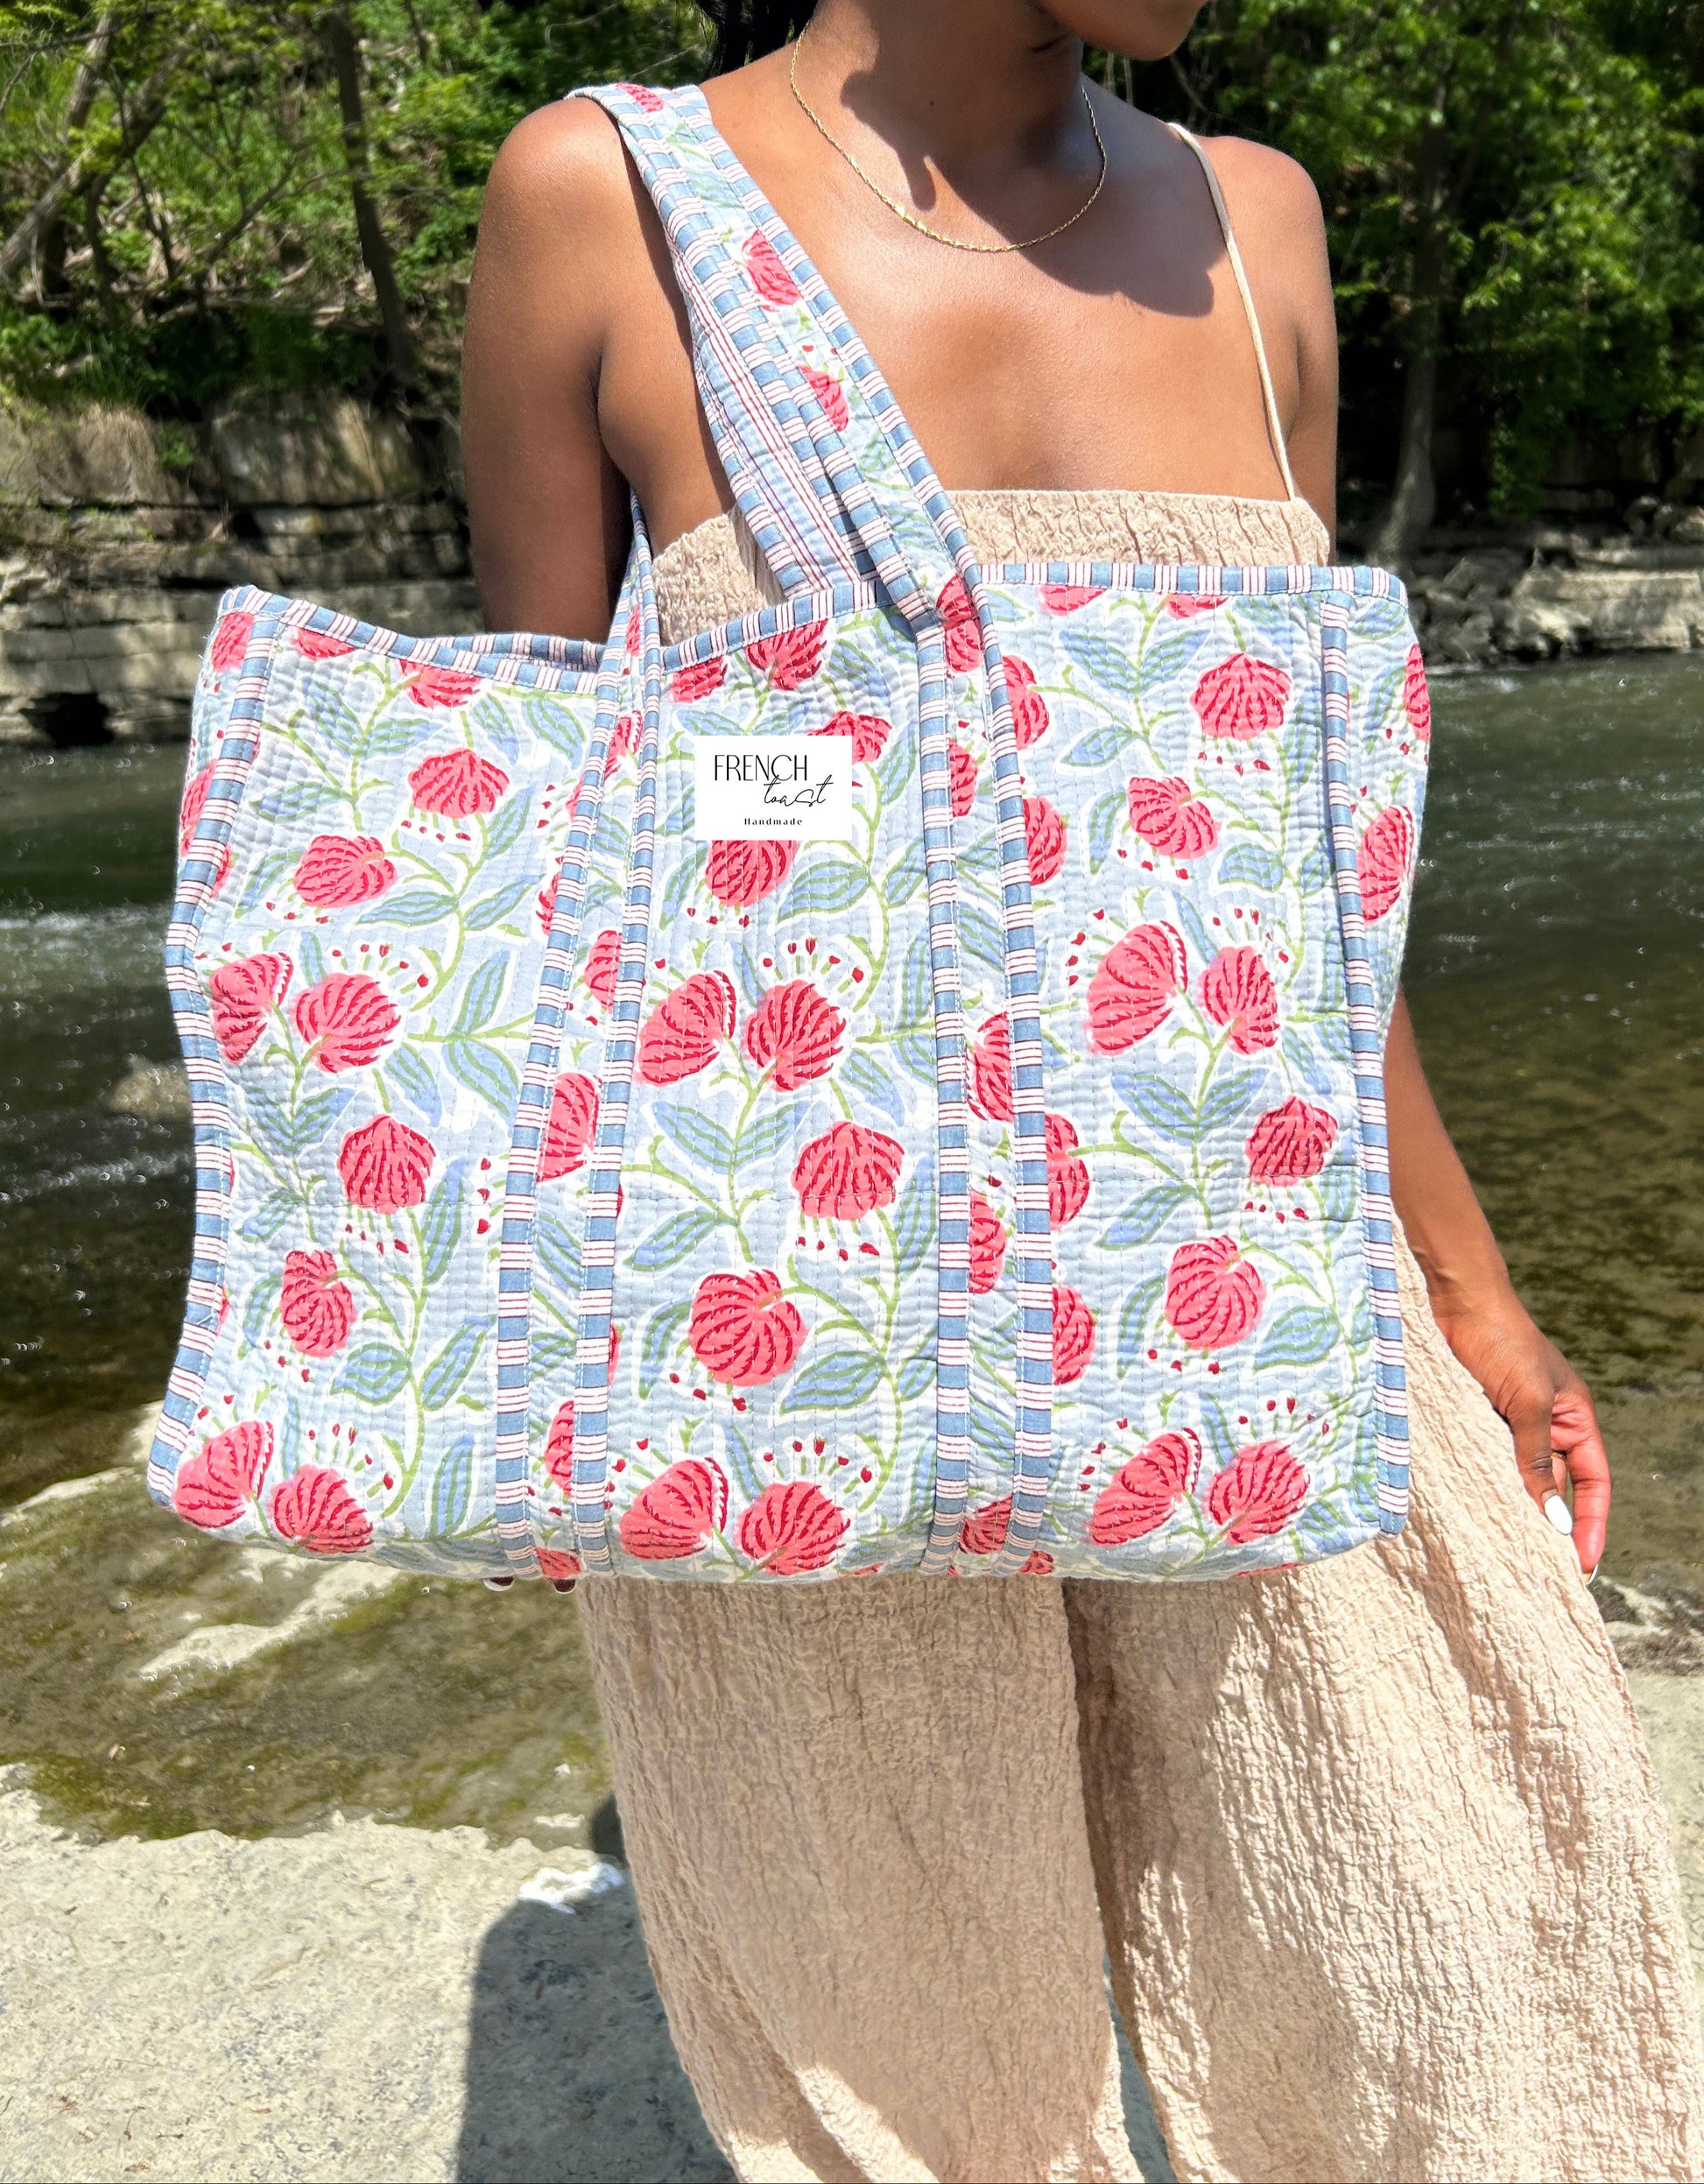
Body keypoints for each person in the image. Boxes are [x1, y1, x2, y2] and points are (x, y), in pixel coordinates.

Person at [460, 6, 1704, 2178]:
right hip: (791, 1300)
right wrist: (511, 1349)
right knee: (911, 2060)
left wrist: (1471, 1294)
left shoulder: (1255, 221)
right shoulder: (604, 199)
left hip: (1247, 1254)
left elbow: (1300, 870)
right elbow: (541, 846)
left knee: (1461, 1926)